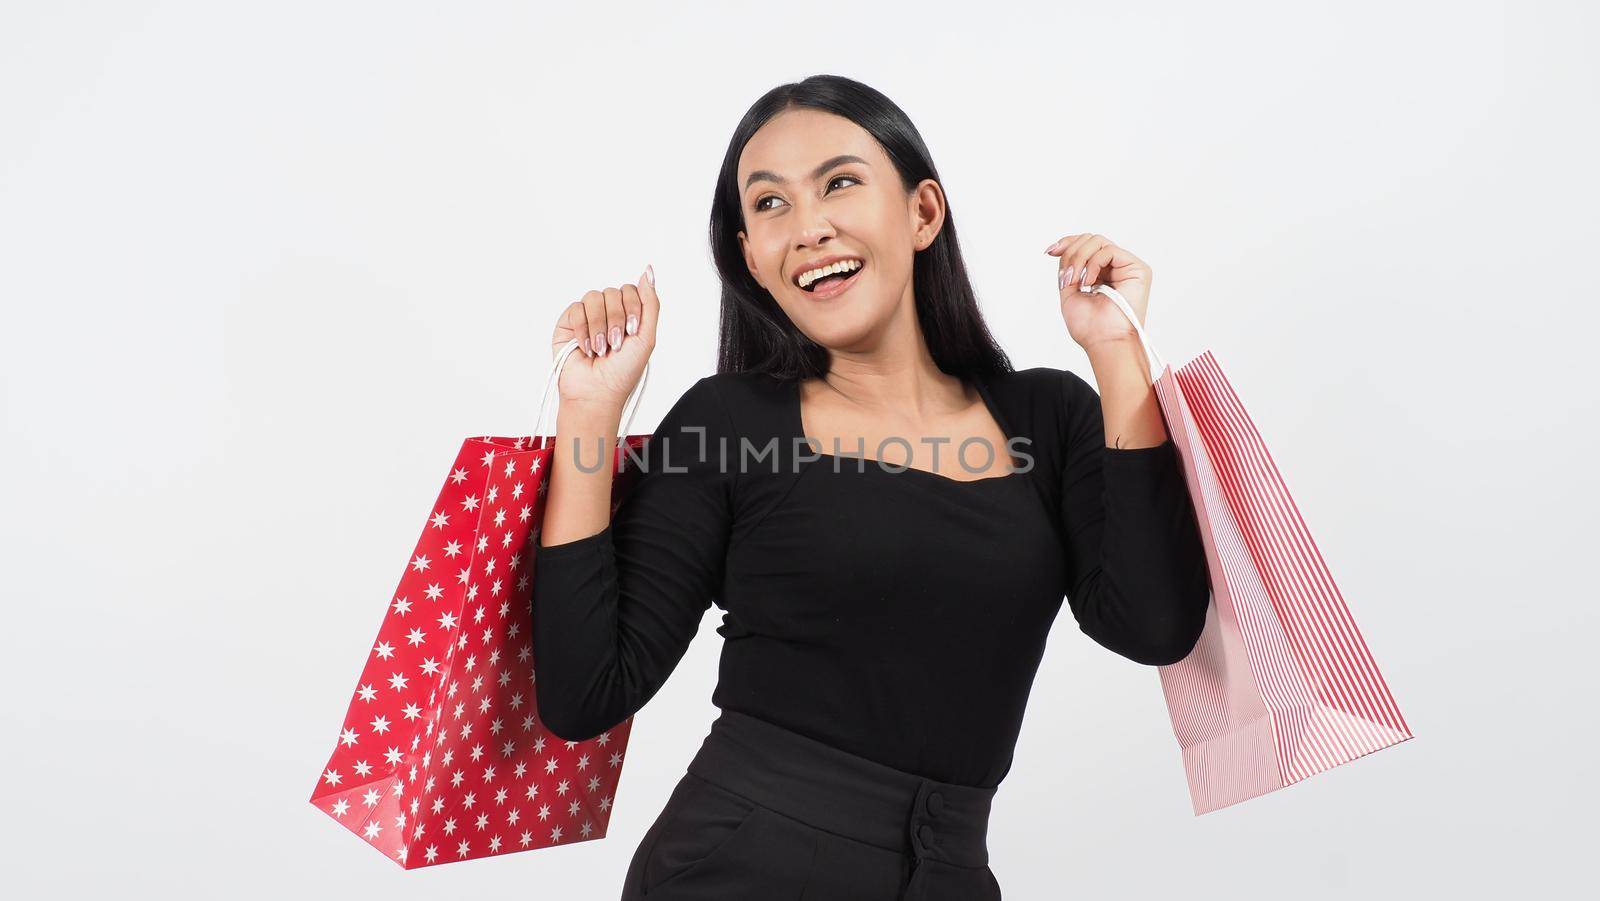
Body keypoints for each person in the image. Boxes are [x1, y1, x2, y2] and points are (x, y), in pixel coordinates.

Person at [531, 74, 1210, 900]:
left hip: (950, 871)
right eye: (770, 205)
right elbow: (584, 693)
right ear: (750, 256)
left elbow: (1156, 624)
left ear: (924, 212)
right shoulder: (730, 424)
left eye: (840, 183)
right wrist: (590, 413)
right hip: (737, 868)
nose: (809, 228)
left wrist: (1115, 353)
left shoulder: (1049, 416)